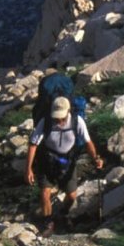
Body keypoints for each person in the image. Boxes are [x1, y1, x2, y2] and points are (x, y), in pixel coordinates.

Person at [25, 95, 102, 234]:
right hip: (46, 161)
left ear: (69, 111)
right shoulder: (46, 122)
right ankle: (48, 222)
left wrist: (95, 158)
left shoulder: (77, 121)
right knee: (44, 192)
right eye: (56, 117)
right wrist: (28, 169)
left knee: (72, 195)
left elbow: (87, 142)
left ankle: (63, 213)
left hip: (67, 161)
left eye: (61, 117)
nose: (59, 120)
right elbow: (33, 144)